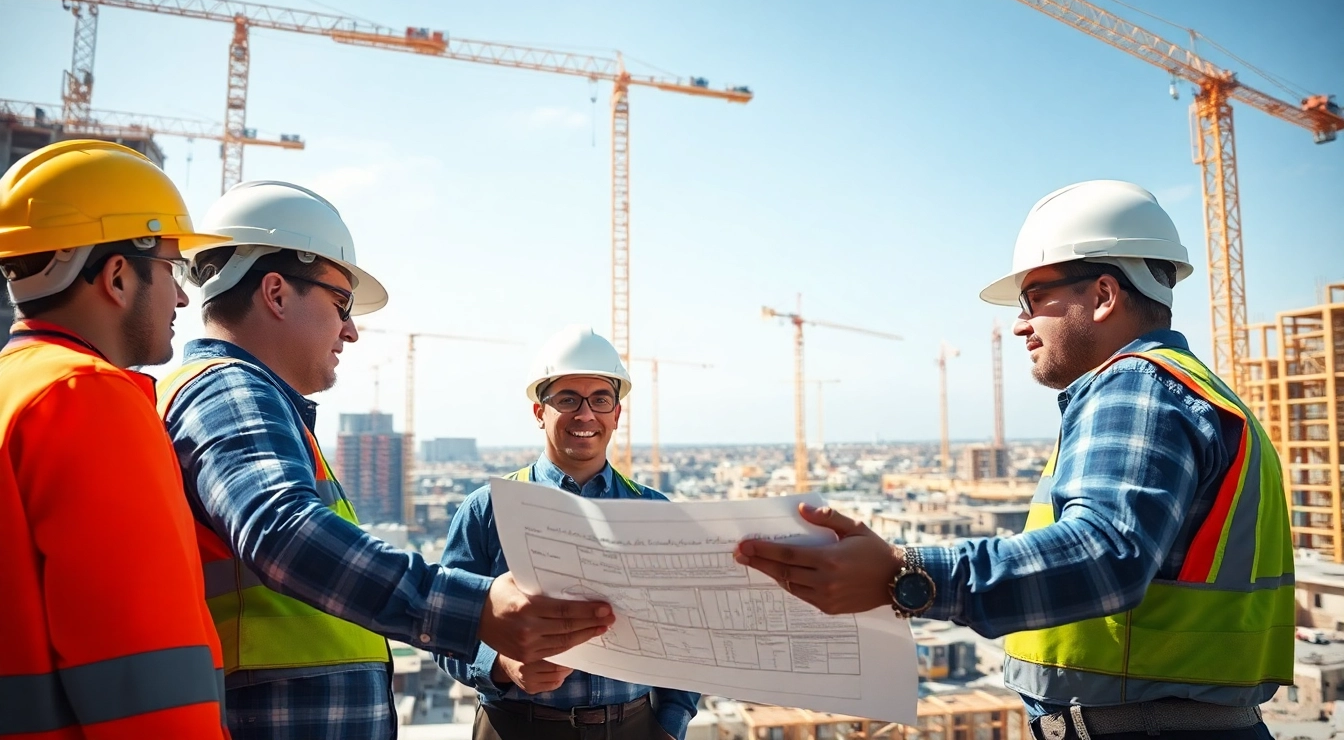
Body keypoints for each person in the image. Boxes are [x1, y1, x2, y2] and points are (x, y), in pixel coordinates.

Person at [735, 180, 1293, 740]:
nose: (1020, 324)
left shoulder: (1134, 385)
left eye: (1033, 299)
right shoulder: (1201, 394)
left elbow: (1107, 553)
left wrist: (905, 576)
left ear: (1103, 295)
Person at [158, 182, 614, 739]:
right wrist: (474, 609)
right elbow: (282, 530)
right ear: (276, 293)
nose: (349, 330)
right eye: (340, 303)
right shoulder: (229, 390)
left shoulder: (250, 400)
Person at [0, 140, 231, 737]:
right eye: (172, 270)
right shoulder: (86, 399)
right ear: (119, 276)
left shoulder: (16, 390)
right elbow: (145, 676)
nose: (183, 296)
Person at [438, 325, 700, 740]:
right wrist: (502, 665)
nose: (585, 414)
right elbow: (445, 628)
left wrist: (669, 725)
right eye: (568, 400)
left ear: (617, 413)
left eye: (600, 399)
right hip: (517, 727)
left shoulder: (654, 514)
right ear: (540, 412)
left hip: (634, 727)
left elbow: (688, 634)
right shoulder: (488, 508)